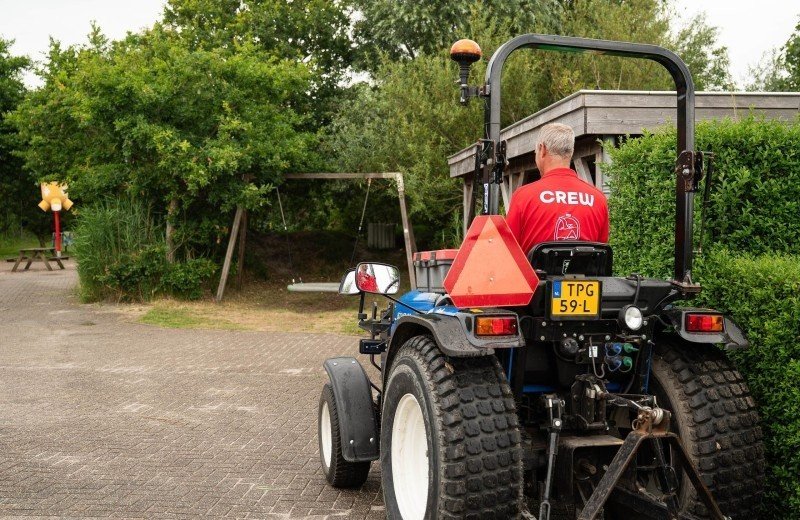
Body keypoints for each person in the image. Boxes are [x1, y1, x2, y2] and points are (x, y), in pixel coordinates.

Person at [506, 123, 609, 253]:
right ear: (571, 152)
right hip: (584, 267)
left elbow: (507, 250)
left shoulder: (523, 196)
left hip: (532, 268)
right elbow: (601, 252)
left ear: (542, 149)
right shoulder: (598, 199)